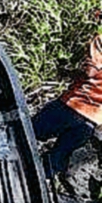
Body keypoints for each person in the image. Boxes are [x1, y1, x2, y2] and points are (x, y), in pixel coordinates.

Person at [34, 25, 102, 176]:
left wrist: (66, 71)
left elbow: (90, 72)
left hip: (73, 106)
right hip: (91, 121)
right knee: (54, 161)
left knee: (27, 133)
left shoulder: (100, 41)